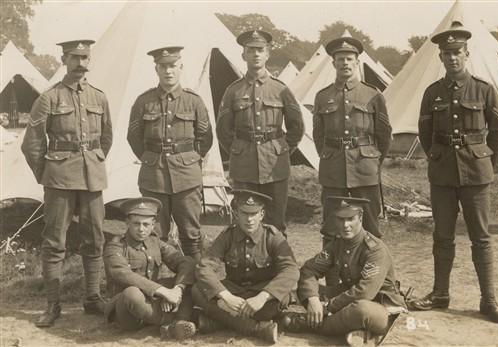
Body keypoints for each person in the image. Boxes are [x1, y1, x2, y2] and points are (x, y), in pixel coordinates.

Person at [411, 21, 498, 324]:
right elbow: (425, 132)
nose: (452, 58)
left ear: (466, 54)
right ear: (441, 58)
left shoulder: (484, 89)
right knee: (442, 236)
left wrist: (486, 163)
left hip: (476, 174)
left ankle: (488, 300)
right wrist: (437, 157)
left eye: (457, 52)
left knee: (481, 238)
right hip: (442, 175)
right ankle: (440, 293)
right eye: (446, 53)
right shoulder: (432, 93)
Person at [21, 39, 113, 327]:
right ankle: (53, 304)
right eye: (75, 57)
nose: (81, 63)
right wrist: (47, 174)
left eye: (85, 58)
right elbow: (32, 145)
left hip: (92, 178)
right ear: (64, 59)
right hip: (59, 179)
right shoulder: (48, 98)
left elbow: (106, 137)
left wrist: (94, 162)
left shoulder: (99, 97)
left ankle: (92, 297)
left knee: (95, 237)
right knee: (54, 241)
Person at [281, 197, 406, 346]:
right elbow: (309, 270)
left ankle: (307, 323)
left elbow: (365, 292)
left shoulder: (375, 249)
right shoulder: (337, 244)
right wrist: (313, 299)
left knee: (361, 310)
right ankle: (345, 327)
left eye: (350, 219)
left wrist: (327, 307)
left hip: (381, 306)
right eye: (340, 219)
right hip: (349, 297)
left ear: (360, 218)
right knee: (306, 290)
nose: (345, 225)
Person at [127, 46, 212, 260]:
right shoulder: (143, 101)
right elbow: (134, 137)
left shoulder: (194, 101)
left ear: (181, 67)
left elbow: (205, 138)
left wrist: (188, 159)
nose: (168, 71)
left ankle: (193, 283)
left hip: (187, 177)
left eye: (172, 66)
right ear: (156, 69)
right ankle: (156, 286)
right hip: (153, 176)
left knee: (191, 234)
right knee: (155, 233)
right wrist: (150, 158)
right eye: (163, 66)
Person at [216, 30, 304, 235]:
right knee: (245, 220)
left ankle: (277, 265)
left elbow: (296, 127)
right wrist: (238, 150)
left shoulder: (280, 89)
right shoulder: (233, 90)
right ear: (243, 55)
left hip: (275, 165)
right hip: (244, 165)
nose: (255, 54)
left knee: (276, 222)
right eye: (250, 50)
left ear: (267, 54)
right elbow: (223, 130)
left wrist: (280, 150)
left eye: (260, 50)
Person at [313, 37, 392, 251]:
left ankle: (374, 276)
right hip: (333, 169)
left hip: (364, 169)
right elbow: (319, 136)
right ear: (333, 63)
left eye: (349, 59)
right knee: (331, 226)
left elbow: (384, 136)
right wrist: (331, 155)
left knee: (370, 226)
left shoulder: (373, 95)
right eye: (340, 59)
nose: (345, 63)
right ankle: (331, 279)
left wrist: (371, 158)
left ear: (357, 62)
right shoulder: (323, 96)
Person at [192, 189, 300, 343]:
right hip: (234, 295)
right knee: (197, 291)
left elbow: (291, 270)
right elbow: (204, 267)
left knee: (280, 299)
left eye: (254, 214)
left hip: (263, 297)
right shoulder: (227, 236)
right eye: (244, 213)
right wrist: (226, 296)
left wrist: (262, 297)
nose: (249, 219)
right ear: (236, 213)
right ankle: (258, 329)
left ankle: (217, 321)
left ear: (261, 215)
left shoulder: (272, 236)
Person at [103, 197, 197, 341]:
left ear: (153, 225)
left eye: (146, 224)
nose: (141, 229)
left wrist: (177, 290)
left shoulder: (155, 242)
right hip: (128, 311)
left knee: (188, 280)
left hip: (152, 302)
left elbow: (186, 262)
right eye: (136, 224)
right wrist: (163, 291)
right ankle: (177, 321)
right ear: (127, 223)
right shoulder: (115, 246)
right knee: (132, 292)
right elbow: (123, 274)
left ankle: (175, 323)